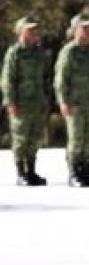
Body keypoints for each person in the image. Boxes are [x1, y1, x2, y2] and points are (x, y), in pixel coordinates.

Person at [54, 13, 89, 187]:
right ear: (75, 30)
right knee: (77, 138)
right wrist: (63, 101)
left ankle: (87, 171)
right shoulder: (69, 52)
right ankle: (75, 173)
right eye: (85, 27)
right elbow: (61, 79)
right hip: (75, 103)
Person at [1, 16, 49, 185]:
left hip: (36, 102)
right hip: (20, 103)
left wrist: (45, 100)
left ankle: (31, 170)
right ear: (20, 31)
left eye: (35, 29)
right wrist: (10, 102)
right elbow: (8, 79)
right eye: (30, 29)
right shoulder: (15, 52)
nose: (34, 32)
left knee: (34, 138)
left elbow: (45, 78)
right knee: (21, 138)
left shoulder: (39, 53)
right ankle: (22, 173)